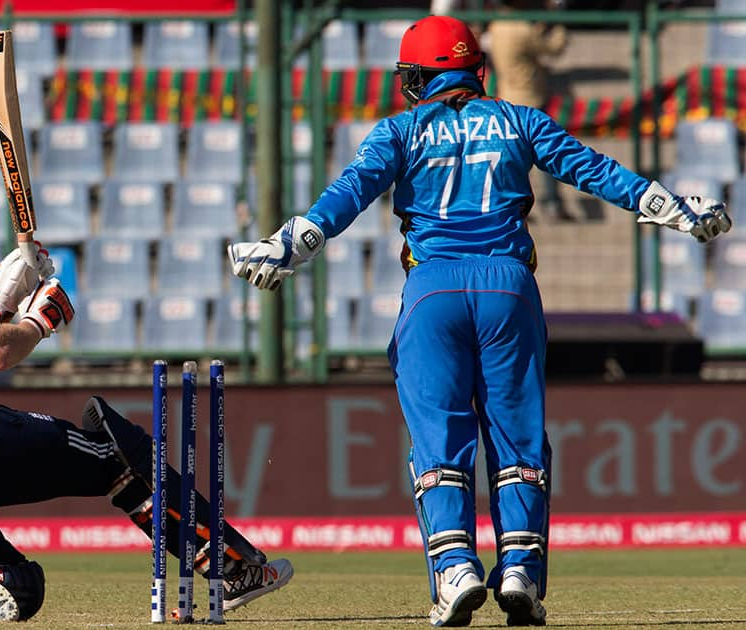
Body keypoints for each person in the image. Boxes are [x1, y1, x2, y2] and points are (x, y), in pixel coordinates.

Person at [228, 15, 729, 628]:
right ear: (476, 69)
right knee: (518, 441)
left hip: (433, 289)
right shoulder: (519, 119)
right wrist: (676, 209)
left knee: (440, 441)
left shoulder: (399, 130)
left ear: (418, 78)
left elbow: (351, 190)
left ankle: (455, 571)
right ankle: (519, 570)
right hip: (509, 290)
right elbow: (593, 168)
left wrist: (290, 243)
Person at [0, 166, 292, 623]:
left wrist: (1, 308)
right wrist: (40, 321)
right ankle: (232, 569)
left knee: (22, 590)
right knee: (118, 455)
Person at [488, 0, 570, 221]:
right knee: (547, 153)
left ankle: (510, 205)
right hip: (530, 99)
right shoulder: (522, 29)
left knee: (512, 158)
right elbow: (554, 47)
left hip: (507, 96)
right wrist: (559, 22)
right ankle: (551, 203)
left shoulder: (498, 25)